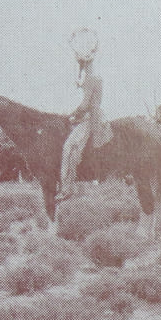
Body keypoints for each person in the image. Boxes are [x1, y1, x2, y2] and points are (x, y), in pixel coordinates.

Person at [59, 28, 107, 202]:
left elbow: (84, 105)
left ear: (85, 64)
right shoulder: (95, 78)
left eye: (81, 63)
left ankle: (66, 188)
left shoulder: (89, 79)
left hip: (88, 119)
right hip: (96, 116)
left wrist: (71, 116)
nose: (80, 66)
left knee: (69, 148)